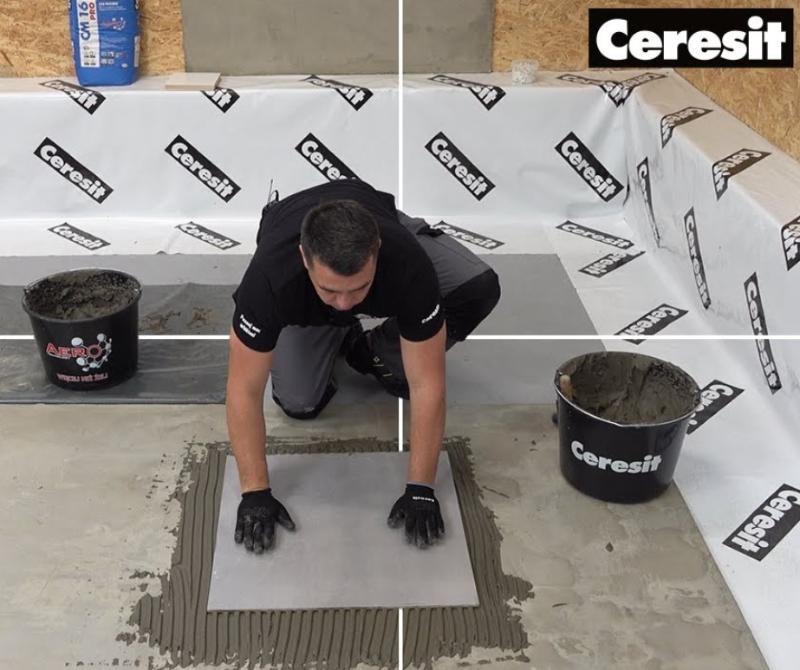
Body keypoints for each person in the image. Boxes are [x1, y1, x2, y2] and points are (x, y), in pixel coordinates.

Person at [227, 179, 500, 553]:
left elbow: (427, 384)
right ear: (305, 258)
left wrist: (421, 488)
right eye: (330, 290)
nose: (345, 303)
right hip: (294, 271)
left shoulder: (407, 265)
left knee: (476, 288)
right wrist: (254, 491)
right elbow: (243, 389)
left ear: (377, 252)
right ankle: (332, 328)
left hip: (377, 218)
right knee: (299, 402)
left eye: (359, 288)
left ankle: (368, 350)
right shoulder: (270, 279)